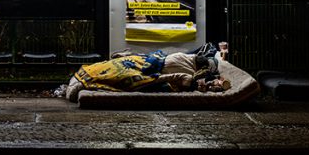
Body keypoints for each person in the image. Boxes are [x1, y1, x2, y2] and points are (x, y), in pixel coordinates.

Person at [65, 48, 226, 101]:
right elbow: (178, 79)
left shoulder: (182, 56)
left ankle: (86, 77)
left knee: (112, 66)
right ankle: (89, 81)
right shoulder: (188, 71)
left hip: (145, 60)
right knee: (122, 75)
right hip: (149, 67)